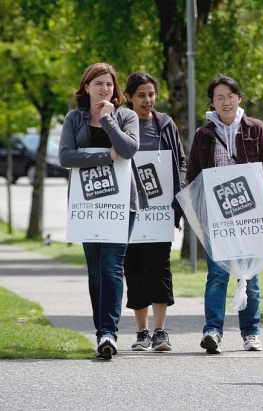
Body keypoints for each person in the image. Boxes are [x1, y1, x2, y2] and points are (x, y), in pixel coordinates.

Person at [59, 62, 148, 359]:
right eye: (98, 83)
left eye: (109, 84)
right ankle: (102, 334)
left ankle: (108, 332)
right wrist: (104, 156)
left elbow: (129, 150)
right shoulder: (75, 118)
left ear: (115, 88)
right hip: (88, 206)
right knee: (95, 271)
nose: (104, 88)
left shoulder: (127, 116)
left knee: (112, 265)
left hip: (123, 206)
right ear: (86, 87)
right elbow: (66, 156)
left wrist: (109, 121)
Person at [186, 74, 263, 354]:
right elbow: (192, 178)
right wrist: (197, 216)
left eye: (230, 96)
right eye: (219, 97)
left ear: (239, 98)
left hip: (250, 216)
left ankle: (250, 332)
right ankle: (212, 331)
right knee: (217, 275)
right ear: (212, 103)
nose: (225, 102)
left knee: (249, 277)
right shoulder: (203, 135)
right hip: (216, 219)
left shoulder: (256, 129)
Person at [123, 72, 186, 352]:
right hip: (129, 212)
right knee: (134, 269)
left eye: (151, 94)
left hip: (160, 213)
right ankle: (141, 332)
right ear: (129, 98)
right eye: (141, 95)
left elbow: (180, 162)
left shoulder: (165, 125)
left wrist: (179, 190)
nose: (147, 100)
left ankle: (160, 332)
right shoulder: (122, 124)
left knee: (160, 268)